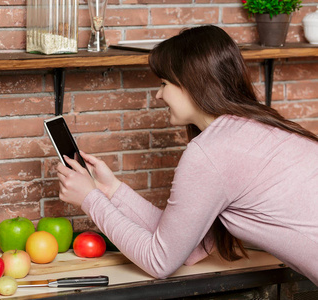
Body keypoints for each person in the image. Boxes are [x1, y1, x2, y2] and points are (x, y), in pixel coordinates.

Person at [56, 25, 318, 285]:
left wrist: (90, 200)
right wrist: (111, 189)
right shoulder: (252, 127)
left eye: (164, 83)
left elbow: (159, 261)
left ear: (191, 84)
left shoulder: (212, 152)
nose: (159, 95)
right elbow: (188, 246)